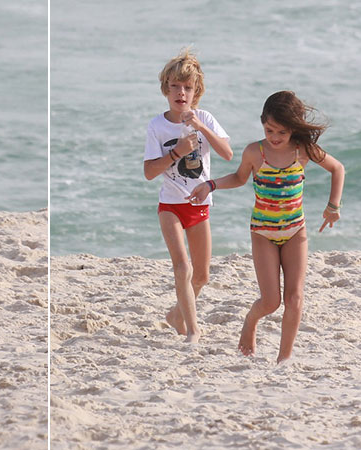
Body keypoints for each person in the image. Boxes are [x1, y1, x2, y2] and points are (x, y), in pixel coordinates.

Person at [188, 91, 345, 362]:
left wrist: (333, 207)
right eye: (269, 129)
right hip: (263, 233)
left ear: (293, 129)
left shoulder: (303, 150)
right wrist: (210, 185)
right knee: (271, 302)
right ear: (262, 123)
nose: (274, 136)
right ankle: (250, 322)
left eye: (281, 132)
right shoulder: (255, 152)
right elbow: (239, 178)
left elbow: (337, 168)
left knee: (295, 299)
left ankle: (283, 360)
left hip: (296, 232)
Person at [143, 49, 233, 343]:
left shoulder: (205, 118)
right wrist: (176, 152)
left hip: (199, 206)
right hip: (170, 205)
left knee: (202, 276)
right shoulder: (157, 126)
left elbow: (228, 155)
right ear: (165, 90)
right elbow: (148, 172)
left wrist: (200, 126)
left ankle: (175, 315)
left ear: (196, 92)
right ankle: (192, 331)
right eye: (175, 87)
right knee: (182, 266)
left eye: (187, 87)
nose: (181, 92)